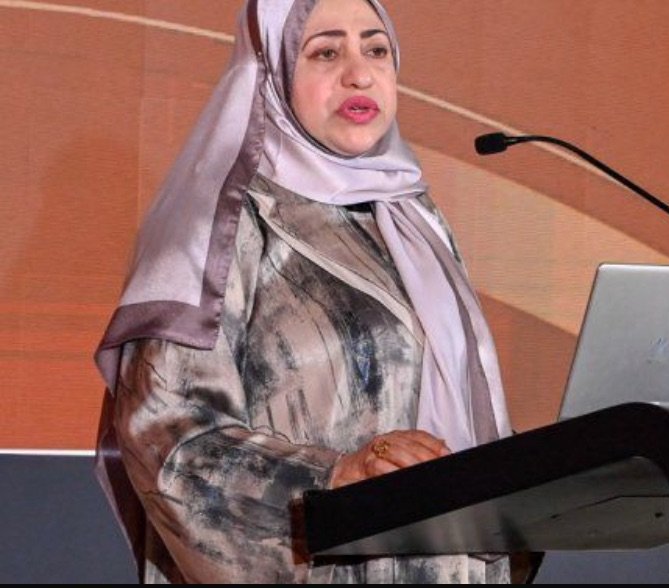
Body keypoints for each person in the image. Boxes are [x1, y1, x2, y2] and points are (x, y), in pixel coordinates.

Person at [93, 0, 521, 582]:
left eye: (377, 50)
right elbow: (168, 440)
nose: (360, 73)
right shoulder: (218, 226)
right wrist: (333, 477)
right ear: (270, 71)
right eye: (325, 52)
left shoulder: (413, 223)